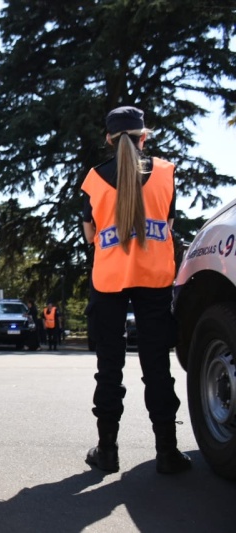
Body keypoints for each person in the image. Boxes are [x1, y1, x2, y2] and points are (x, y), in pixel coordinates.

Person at [81, 105, 191, 475]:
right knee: (157, 366)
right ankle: (167, 453)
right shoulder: (165, 173)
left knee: (109, 368)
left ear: (108, 139)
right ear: (144, 137)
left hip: (109, 281)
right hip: (155, 278)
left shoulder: (94, 179)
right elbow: (169, 223)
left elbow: (90, 235)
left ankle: (107, 452)